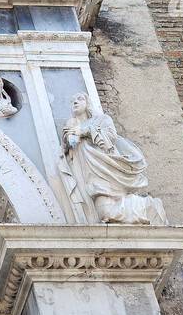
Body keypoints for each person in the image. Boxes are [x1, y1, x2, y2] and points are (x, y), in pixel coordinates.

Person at [58, 92, 167, 225]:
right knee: (104, 214)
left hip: (105, 168)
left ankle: (147, 206)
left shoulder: (102, 119)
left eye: (79, 99)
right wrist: (70, 133)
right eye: (72, 101)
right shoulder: (72, 125)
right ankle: (141, 206)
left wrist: (85, 131)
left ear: (87, 104)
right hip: (86, 172)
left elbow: (111, 138)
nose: (75, 102)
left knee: (107, 214)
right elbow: (69, 147)